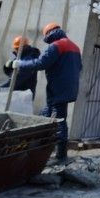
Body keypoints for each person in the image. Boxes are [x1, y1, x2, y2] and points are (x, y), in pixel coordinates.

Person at [8, 22, 82, 162]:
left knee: (59, 121)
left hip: (58, 89)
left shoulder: (56, 46)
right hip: (69, 88)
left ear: (49, 33)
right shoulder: (75, 47)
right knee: (44, 116)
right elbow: (79, 67)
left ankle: (61, 156)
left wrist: (20, 64)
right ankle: (40, 149)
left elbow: (40, 64)